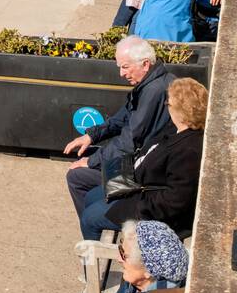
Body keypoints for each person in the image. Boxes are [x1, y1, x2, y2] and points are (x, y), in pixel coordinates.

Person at [77, 78, 207, 241]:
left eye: (169, 104)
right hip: (137, 184)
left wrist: (136, 205)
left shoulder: (188, 149)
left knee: (89, 219)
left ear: (180, 110)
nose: (167, 107)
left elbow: (176, 200)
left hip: (147, 204)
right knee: (91, 197)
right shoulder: (177, 129)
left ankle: (94, 262)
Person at [64, 36, 176, 217]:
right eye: (120, 67)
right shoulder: (148, 84)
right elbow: (120, 119)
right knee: (84, 155)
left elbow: (129, 141)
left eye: (125, 67)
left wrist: (92, 162)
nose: (121, 74)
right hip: (139, 160)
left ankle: (96, 224)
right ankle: (98, 213)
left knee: (77, 177)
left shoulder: (153, 92)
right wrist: (91, 135)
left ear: (145, 64)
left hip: (142, 174)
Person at [113, 220, 189, 293]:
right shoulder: (134, 281)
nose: (118, 258)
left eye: (124, 255)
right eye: (121, 248)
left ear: (148, 271)